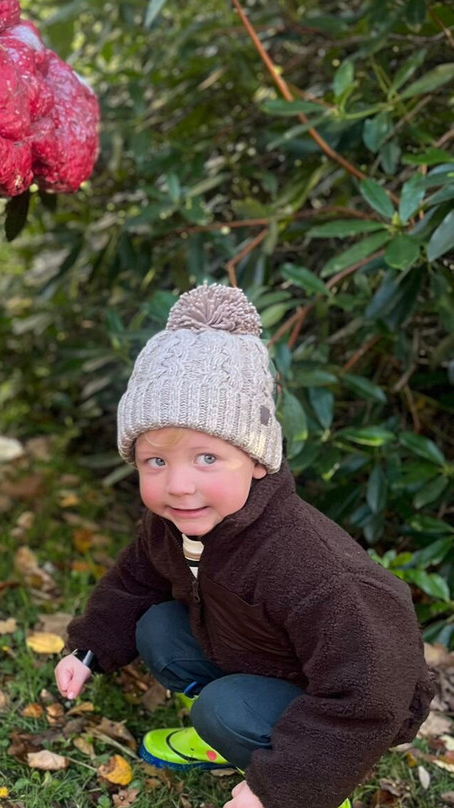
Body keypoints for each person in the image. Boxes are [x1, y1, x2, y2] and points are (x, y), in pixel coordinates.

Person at [55, 284, 434, 808]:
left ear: (257, 459)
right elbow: (133, 582)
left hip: (339, 701)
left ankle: (308, 779)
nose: (179, 485)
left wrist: (281, 787)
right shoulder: (177, 522)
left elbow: (370, 694)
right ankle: (233, 741)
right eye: (156, 462)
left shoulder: (315, 567)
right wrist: (87, 651)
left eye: (207, 458)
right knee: (157, 627)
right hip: (255, 653)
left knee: (224, 708)